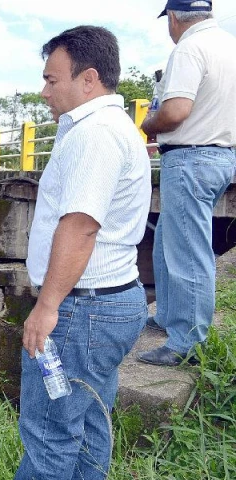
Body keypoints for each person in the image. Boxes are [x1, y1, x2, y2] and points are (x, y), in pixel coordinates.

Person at [16, 26, 151, 480]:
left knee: (50, 434)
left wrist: (47, 306)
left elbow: (80, 227)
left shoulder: (95, 135)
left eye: (52, 80)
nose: (43, 91)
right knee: (89, 425)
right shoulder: (111, 128)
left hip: (81, 311)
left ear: (88, 79)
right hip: (106, 303)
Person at [138, 0, 236, 367]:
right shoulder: (228, 45)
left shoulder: (189, 48)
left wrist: (149, 124)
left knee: (188, 252)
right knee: (168, 240)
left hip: (192, 158)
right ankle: (168, 317)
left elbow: (176, 111)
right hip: (221, 156)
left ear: (174, 18)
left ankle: (188, 343)